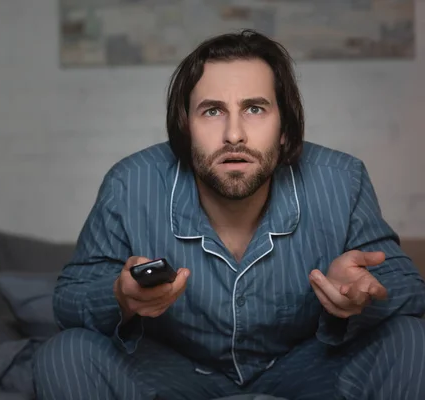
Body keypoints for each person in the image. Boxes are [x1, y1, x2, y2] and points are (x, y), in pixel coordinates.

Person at [32, 29, 425, 400]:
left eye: (255, 109)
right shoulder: (129, 184)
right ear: (185, 127)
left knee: (411, 338)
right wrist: (120, 297)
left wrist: (361, 293)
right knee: (64, 354)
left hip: (305, 369)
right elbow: (69, 299)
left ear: (285, 127)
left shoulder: (342, 180)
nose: (234, 135)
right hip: (178, 376)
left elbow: (408, 287)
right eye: (212, 111)